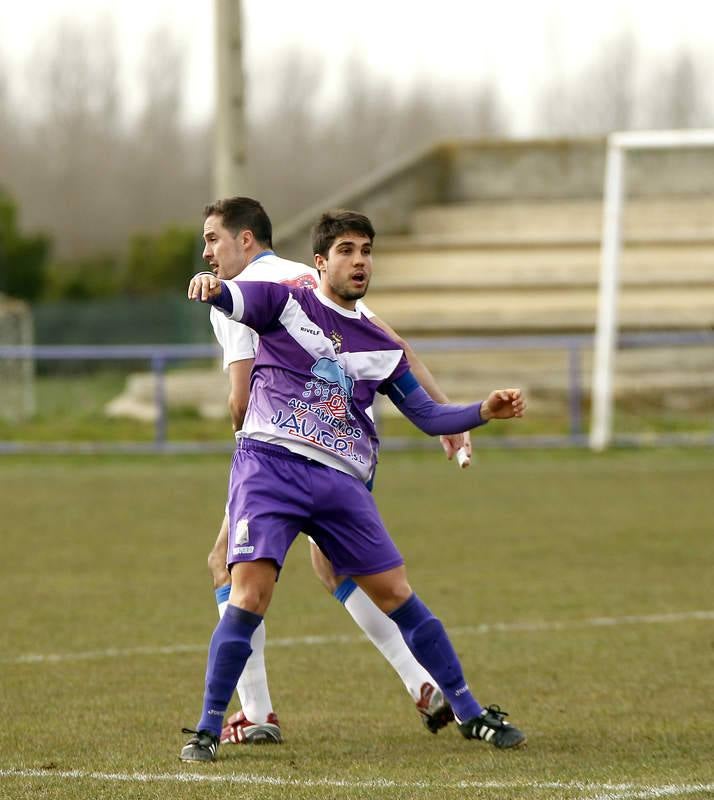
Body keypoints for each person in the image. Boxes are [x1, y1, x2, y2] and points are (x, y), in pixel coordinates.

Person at [179, 209, 527, 762]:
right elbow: (234, 299)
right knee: (249, 595)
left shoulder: (377, 343)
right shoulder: (284, 302)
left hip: (340, 481)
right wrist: (211, 286)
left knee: (397, 593)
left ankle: (469, 711)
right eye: (346, 251)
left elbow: (427, 416)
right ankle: (207, 729)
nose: (359, 261)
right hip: (270, 469)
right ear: (320, 262)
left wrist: (480, 411)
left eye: (366, 251)